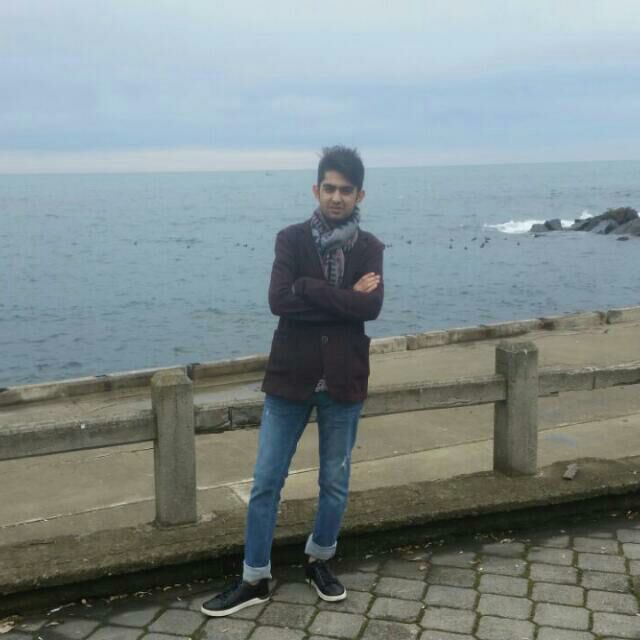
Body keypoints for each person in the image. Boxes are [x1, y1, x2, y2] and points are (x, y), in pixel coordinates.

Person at [201, 145, 384, 617]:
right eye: (330, 188)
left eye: (346, 190)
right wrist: (341, 296)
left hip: (343, 381)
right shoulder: (290, 240)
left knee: (335, 482)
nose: (337, 197)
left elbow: (370, 308)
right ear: (316, 189)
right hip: (289, 382)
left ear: (360, 194)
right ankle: (254, 578)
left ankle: (319, 559)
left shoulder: (370, 248)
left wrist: (309, 288)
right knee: (266, 481)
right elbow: (279, 301)